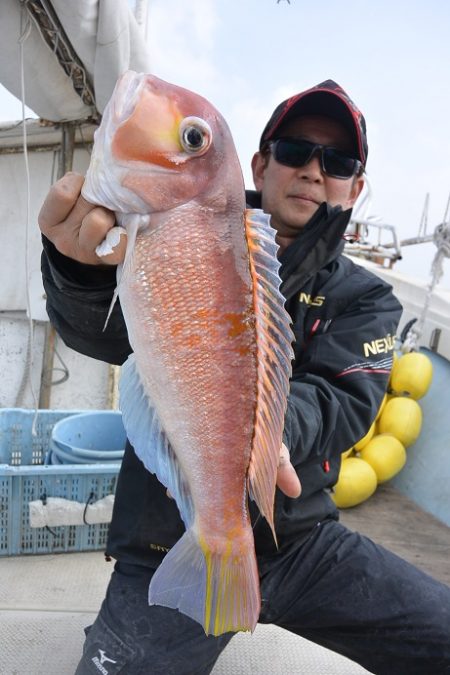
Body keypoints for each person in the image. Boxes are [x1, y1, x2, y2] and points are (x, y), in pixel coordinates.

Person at [39, 79, 450, 675]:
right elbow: (102, 335)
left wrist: (267, 442)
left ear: (356, 187)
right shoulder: (159, 231)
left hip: (301, 540)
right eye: (294, 151)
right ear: (258, 163)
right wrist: (78, 272)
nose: (313, 171)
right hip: (170, 537)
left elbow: (341, 398)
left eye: (337, 162)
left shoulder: (368, 300)